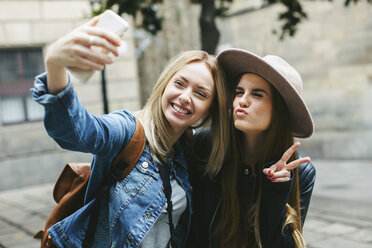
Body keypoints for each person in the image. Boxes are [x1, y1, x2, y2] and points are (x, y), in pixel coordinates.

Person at [30, 15, 229, 248]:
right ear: (164, 85)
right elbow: (76, 132)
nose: (185, 97)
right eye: (180, 84)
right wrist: (56, 66)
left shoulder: (189, 151)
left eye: (200, 94)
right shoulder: (128, 130)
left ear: (208, 110)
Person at [189, 48, 316, 248]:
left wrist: (276, 190)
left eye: (257, 94)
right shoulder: (206, 145)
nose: (242, 100)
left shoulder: (300, 172)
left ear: (279, 110)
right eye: (239, 92)